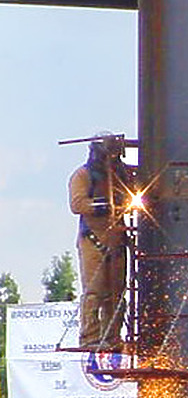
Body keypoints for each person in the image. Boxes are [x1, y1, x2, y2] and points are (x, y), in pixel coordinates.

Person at [69, 133, 135, 350]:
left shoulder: (120, 175)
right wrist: (105, 205)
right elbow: (78, 204)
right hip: (93, 239)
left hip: (117, 240)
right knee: (95, 291)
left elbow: (134, 193)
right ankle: (90, 337)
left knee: (116, 293)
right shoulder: (83, 175)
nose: (113, 159)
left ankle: (112, 337)